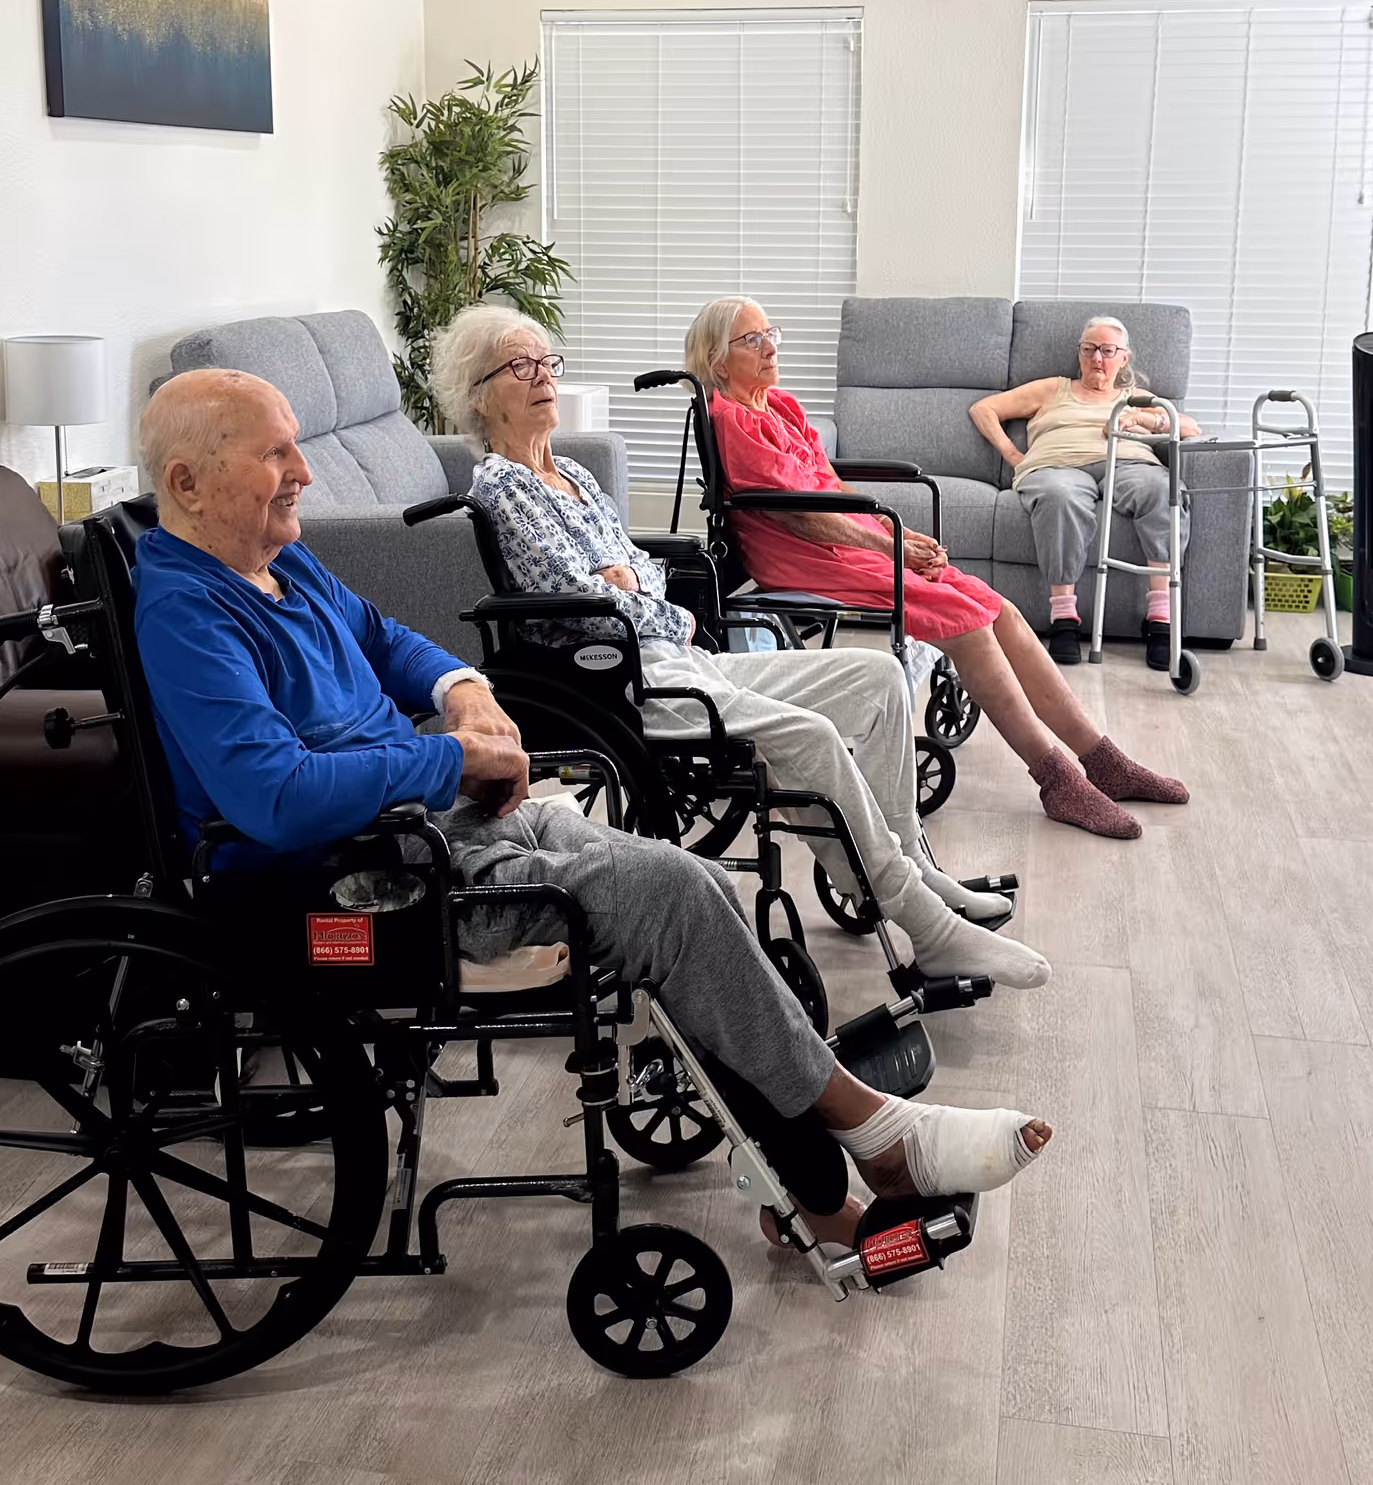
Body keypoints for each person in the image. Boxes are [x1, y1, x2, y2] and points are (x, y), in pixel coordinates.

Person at [129, 366, 1053, 1251]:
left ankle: (813, 1185)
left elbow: (387, 637)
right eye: (276, 454)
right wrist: (450, 758)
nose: (304, 471)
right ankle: (872, 1139)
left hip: (429, 833)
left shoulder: (278, 563)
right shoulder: (188, 613)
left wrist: (462, 691)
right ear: (188, 483)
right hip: (358, 889)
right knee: (670, 897)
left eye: (297, 446)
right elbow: (276, 799)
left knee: (698, 887)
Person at [430, 304, 1045, 995]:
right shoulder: (502, 486)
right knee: (810, 734)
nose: (544, 376)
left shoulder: (575, 475)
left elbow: (643, 572)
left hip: (674, 653)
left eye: (547, 362)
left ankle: (914, 869)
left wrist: (634, 584)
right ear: (481, 394)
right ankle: (925, 924)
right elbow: (589, 607)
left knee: (877, 677)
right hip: (624, 678)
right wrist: (642, 595)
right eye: (521, 366)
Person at [691, 298, 1189, 840]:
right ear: (718, 361)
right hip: (804, 556)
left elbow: (830, 487)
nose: (771, 347)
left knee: (997, 609)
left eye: (771, 333)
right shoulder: (733, 420)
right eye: (753, 340)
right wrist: (891, 546)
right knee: (966, 624)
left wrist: (897, 533)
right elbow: (804, 518)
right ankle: (1057, 780)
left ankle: (1103, 759)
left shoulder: (780, 405)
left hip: (846, 544)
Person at [969, 316, 1202, 668]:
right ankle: (1063, 619)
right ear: (1079, 353)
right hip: (1057, 467)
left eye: (1107, 351)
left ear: (1123, 358)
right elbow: (984, 408)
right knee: (1060, 497)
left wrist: (1142, 419)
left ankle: (1160, 620)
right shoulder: (1054, 389)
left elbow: (1190, 427)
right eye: (1089, 349)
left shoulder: (1134, 398)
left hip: (1128, 464)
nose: (1096, 358)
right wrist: (1014, 455)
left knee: (1160, 489)